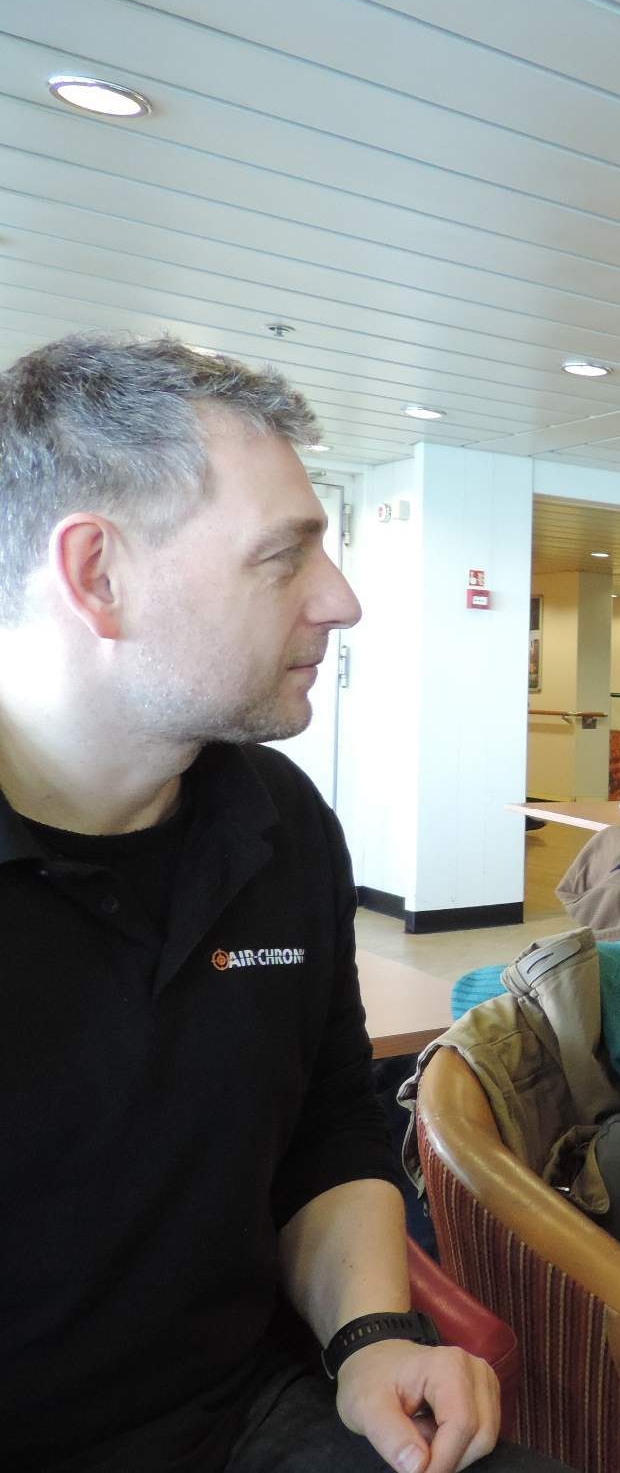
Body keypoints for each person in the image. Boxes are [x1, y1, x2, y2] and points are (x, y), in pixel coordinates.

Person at [0, 336, 561, 1473]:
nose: (341, 600)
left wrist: (368, 1336)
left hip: (243, 1410)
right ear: (98, 576)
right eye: (283, 555)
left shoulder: (277, 821)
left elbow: (329, 1121)